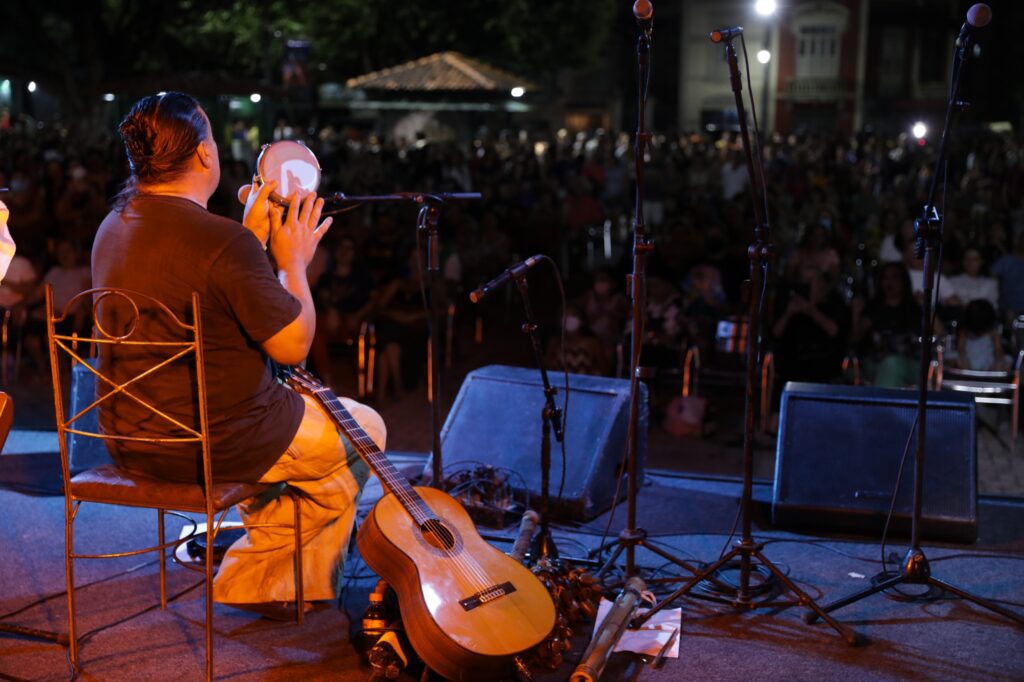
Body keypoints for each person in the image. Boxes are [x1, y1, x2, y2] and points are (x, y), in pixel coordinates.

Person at [92, 92, 385, 616]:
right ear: (204, 154)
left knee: (313, 443)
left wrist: (248, 238)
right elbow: (293, 347)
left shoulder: (113, 226)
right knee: (367, 430)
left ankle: (272, 571)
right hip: (215, 443)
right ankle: (263, 580)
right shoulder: (222, 242)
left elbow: (201, 282)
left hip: (127, 436)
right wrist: (293, 263)